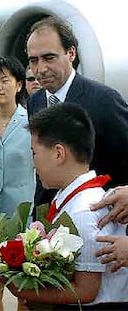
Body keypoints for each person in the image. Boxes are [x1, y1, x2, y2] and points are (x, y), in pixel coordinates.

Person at [8, 103, 128, 309]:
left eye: (34, 153)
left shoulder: (84, 211)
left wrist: (24, 291)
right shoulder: (72, 200)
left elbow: (86, 291)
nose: (32, 163)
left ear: (58, 154)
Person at [26, 16, 128, 207]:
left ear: (71, 53)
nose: (41, 69)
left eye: (49, 58)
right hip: (50, 219)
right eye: (33, 60)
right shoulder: (35, 102)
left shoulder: (104, 101)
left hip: (97, 218)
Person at [0, 56, 35, 310]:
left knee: (26, 286)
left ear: (19, 85)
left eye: (5, 80)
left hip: (23, 212)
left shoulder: (32, 122)